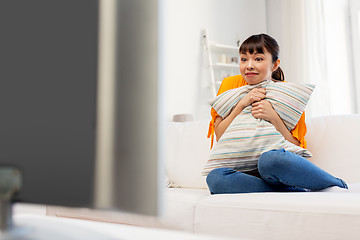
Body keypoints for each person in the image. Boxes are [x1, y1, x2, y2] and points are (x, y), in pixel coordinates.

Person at [206, 33, 348, 194]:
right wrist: (241, 104)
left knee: (270, 160)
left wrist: (273, 116)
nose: (249, 65)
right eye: (244, 59)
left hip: (276, 168)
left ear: (274, 65)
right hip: (245, 176)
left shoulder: (290, 93)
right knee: (215, 178)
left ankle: (335, 183)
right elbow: (219, 135)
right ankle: (291, 191)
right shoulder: (230, 84)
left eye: (258, 59)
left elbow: (294, 146)